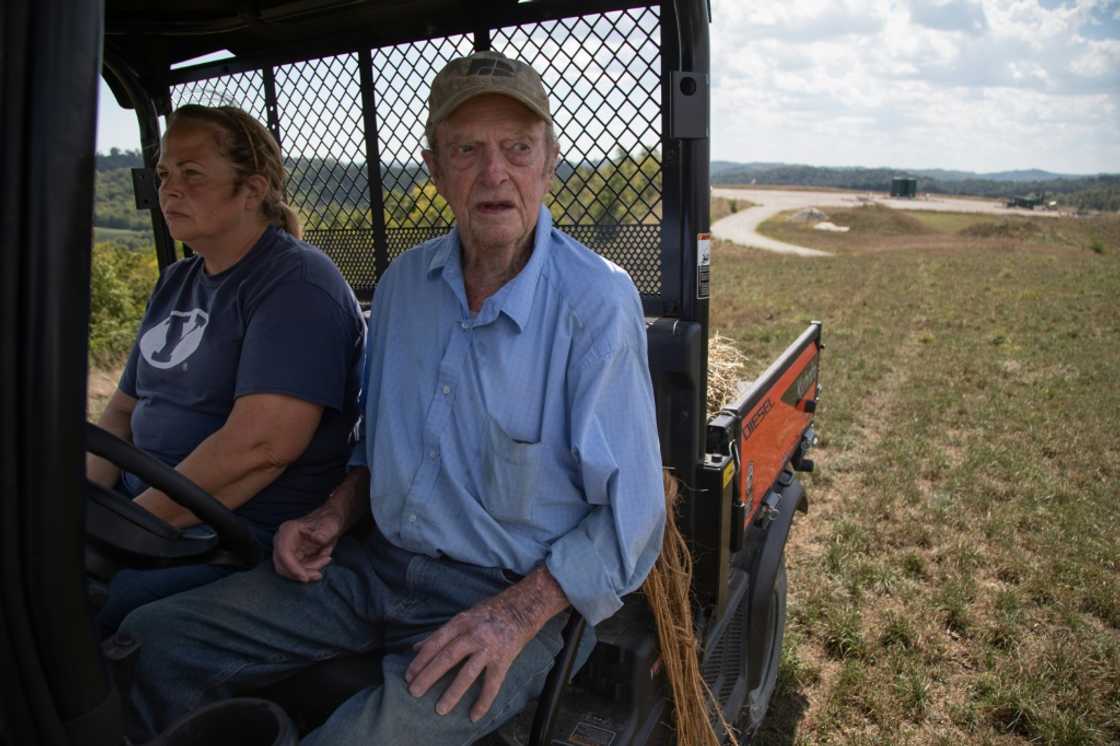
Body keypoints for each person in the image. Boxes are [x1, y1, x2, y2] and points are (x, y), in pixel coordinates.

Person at [121, 52, 665, 745]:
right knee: (153, 641)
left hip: (508, 596)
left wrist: (512, 618)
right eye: (467, 150)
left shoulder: (596, 303)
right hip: (372, 567)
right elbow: (375, 451)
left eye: (517, 149)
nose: (495, 173)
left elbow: (631, 521)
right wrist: (331, 515)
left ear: (550, 163)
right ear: (435, 169)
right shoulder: (405, 286)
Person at [88, 104, 366, 634]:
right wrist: (80, 508)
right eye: (166, 174)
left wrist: (121, 533)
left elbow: (259, 450)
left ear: (253, 188)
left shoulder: (296, 284)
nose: (170, 188)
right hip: (145, 508)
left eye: (193, 174)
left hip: (229, 530)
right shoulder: (177, 281)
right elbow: (122, 411)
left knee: (74, 603)